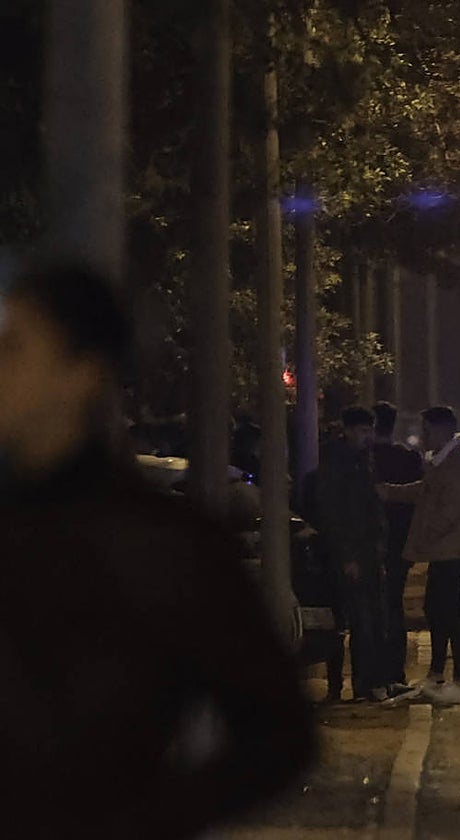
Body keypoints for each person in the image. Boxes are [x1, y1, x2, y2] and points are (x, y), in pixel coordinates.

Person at [0, 261, 314, 837]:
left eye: (14, 347)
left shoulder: (159, 543)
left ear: (82, 373)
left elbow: (278, 731)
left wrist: (149, 815)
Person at [380, 406, 460, 705]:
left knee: (447, 611)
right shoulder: (445, 460)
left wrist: (425, 535)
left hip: (450, 549)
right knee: (437, 609)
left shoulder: (456, 462)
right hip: (445, 549)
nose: (423, 436)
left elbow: (449, 509)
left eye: (426, 429)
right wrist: (392, 492)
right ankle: (439, 673)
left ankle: (458, 676)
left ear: (441, 429)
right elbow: (427, 491)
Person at [315, 406, 389, 702]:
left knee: (369, 620)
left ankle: (365, 683)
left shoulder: (363, 461)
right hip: (349, 553)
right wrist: (346, 556)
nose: (367, 436)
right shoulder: (337, 463)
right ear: (347, 430)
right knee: (356, 620)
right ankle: (351, 684)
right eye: (362, 431)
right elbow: (333, 513)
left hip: (367, 551)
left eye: (370, 430)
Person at [372, 400, 424, 692]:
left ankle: (375, 673)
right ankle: (395, 670)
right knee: (394, 605)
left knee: (372, 608)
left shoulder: (364, 459)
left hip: (370, 543)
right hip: (400, 543)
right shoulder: (407, 458)